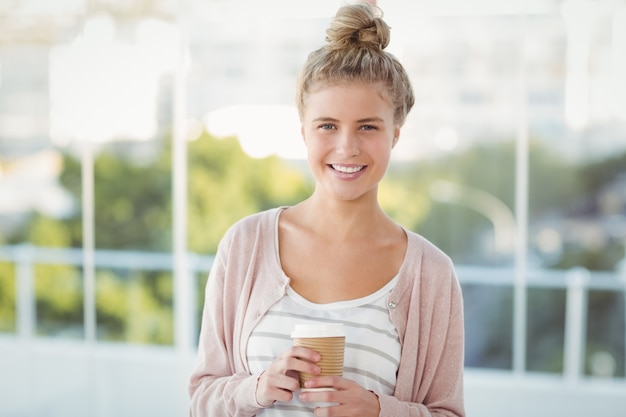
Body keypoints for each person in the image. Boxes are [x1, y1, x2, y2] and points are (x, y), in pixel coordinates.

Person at [189, 3, 465, 416]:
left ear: (395, 135)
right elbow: (201, 400)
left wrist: (378, 411)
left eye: (368, 126)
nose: (347, 147)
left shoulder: (431, 275)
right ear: (304, 132)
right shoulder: (245, 246)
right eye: (328, 126)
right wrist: (257, 389)